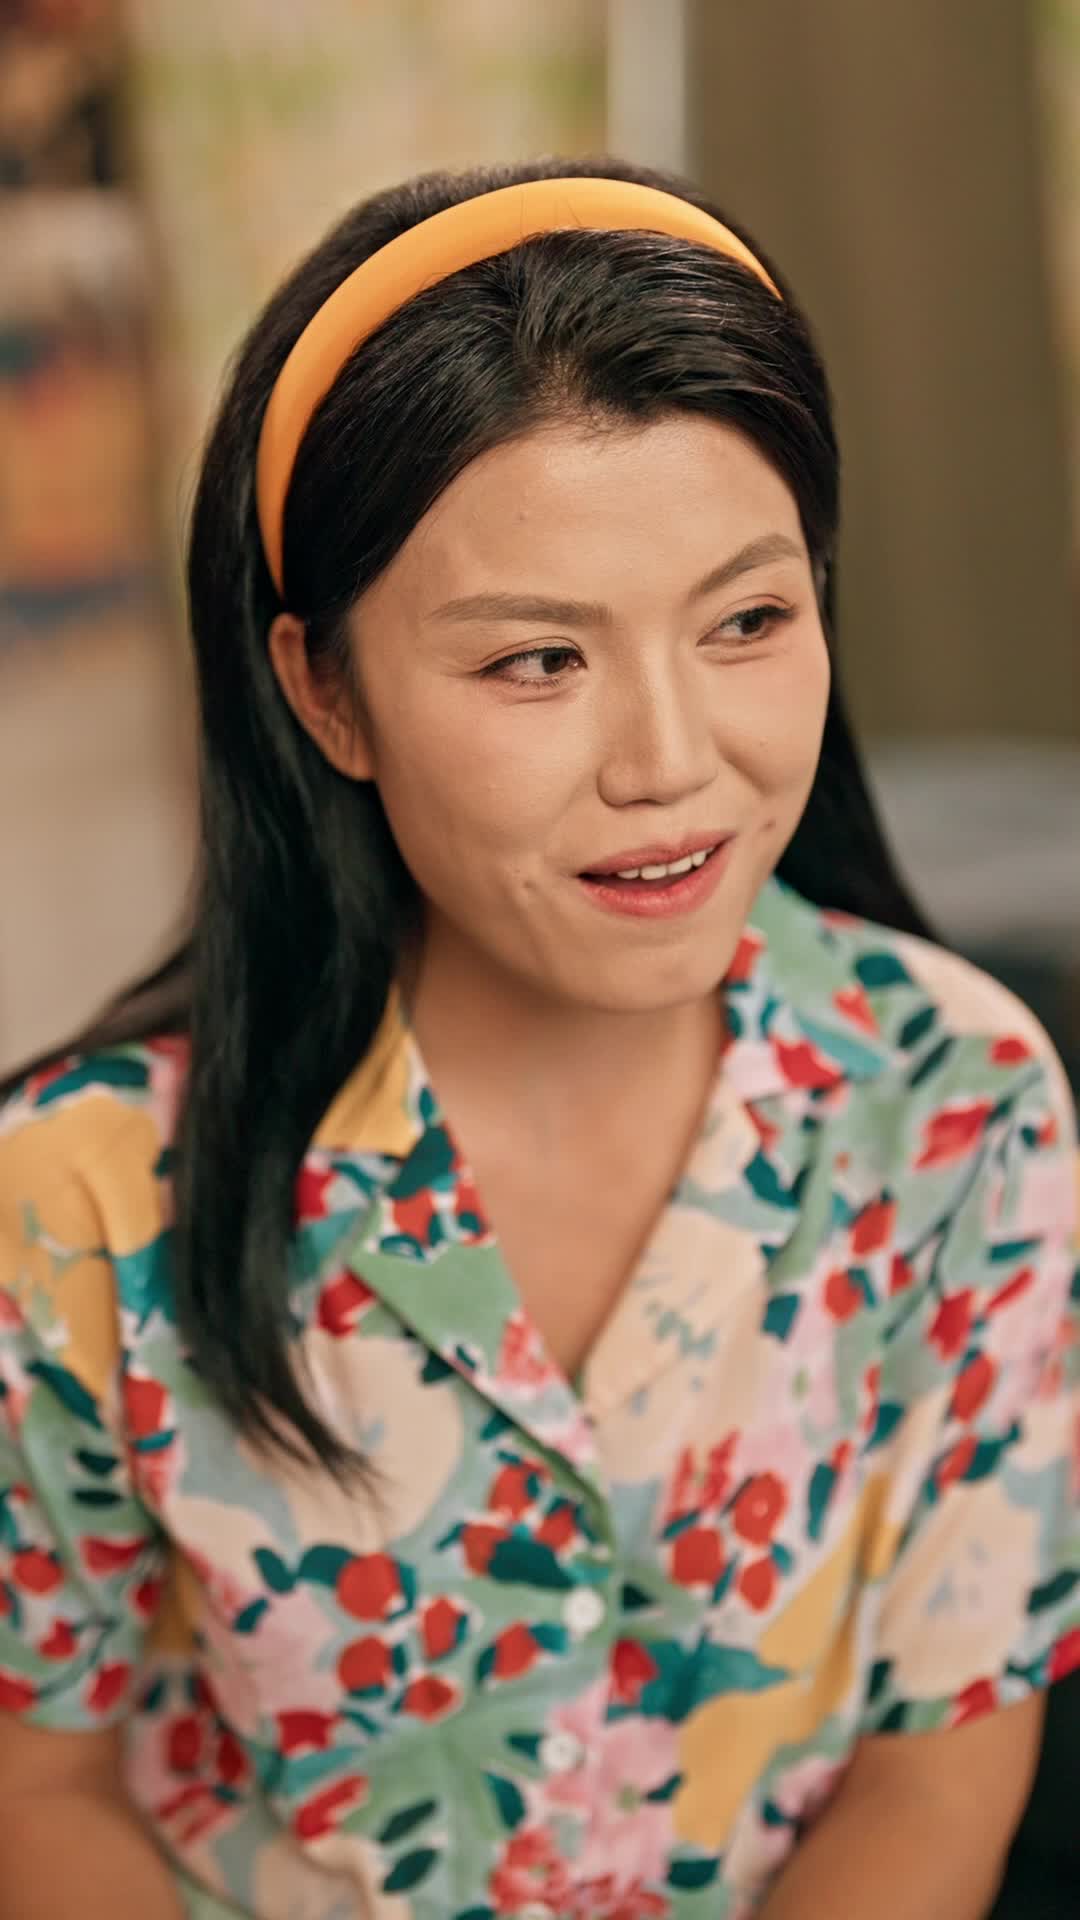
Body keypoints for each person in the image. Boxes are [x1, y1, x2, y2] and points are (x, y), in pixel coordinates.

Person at [0, 156, 1077, 1920]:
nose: (671, 762)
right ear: (324, 691)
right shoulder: (82, 1197)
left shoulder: (961, 1104)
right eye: (535, 663)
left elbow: (939, 1766)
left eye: (748, 621)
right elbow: (37, 1788)